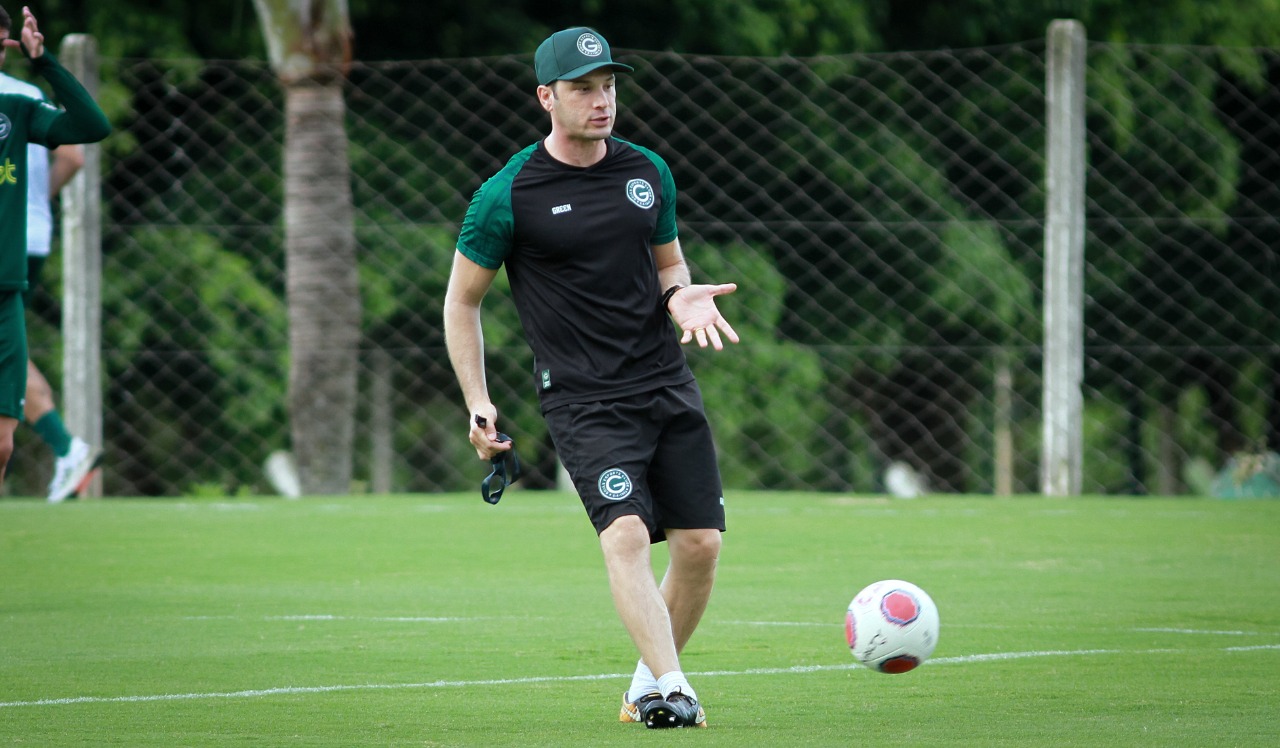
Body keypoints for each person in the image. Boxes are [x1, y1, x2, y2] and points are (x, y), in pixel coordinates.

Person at [443, 27, 739, 729]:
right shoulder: (506, 195)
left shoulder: (648, 173)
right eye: (582, 88)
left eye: (607, 85)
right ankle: (676, 686)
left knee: (701, 545)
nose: (601, 100)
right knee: (627, 534)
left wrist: (681, 294)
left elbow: (670, 264)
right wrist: (479, 402)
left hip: (664, 382)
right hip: (583, 398)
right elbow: (462, 301)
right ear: (547, 97)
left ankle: (647, 689)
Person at [0, 5, 111, 495]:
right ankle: (69, 449)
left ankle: (69, 450)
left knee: (2, 444)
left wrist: (43, 62)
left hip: (7, 271)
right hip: (25, 248)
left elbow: (88, 131)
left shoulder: (17, 103)